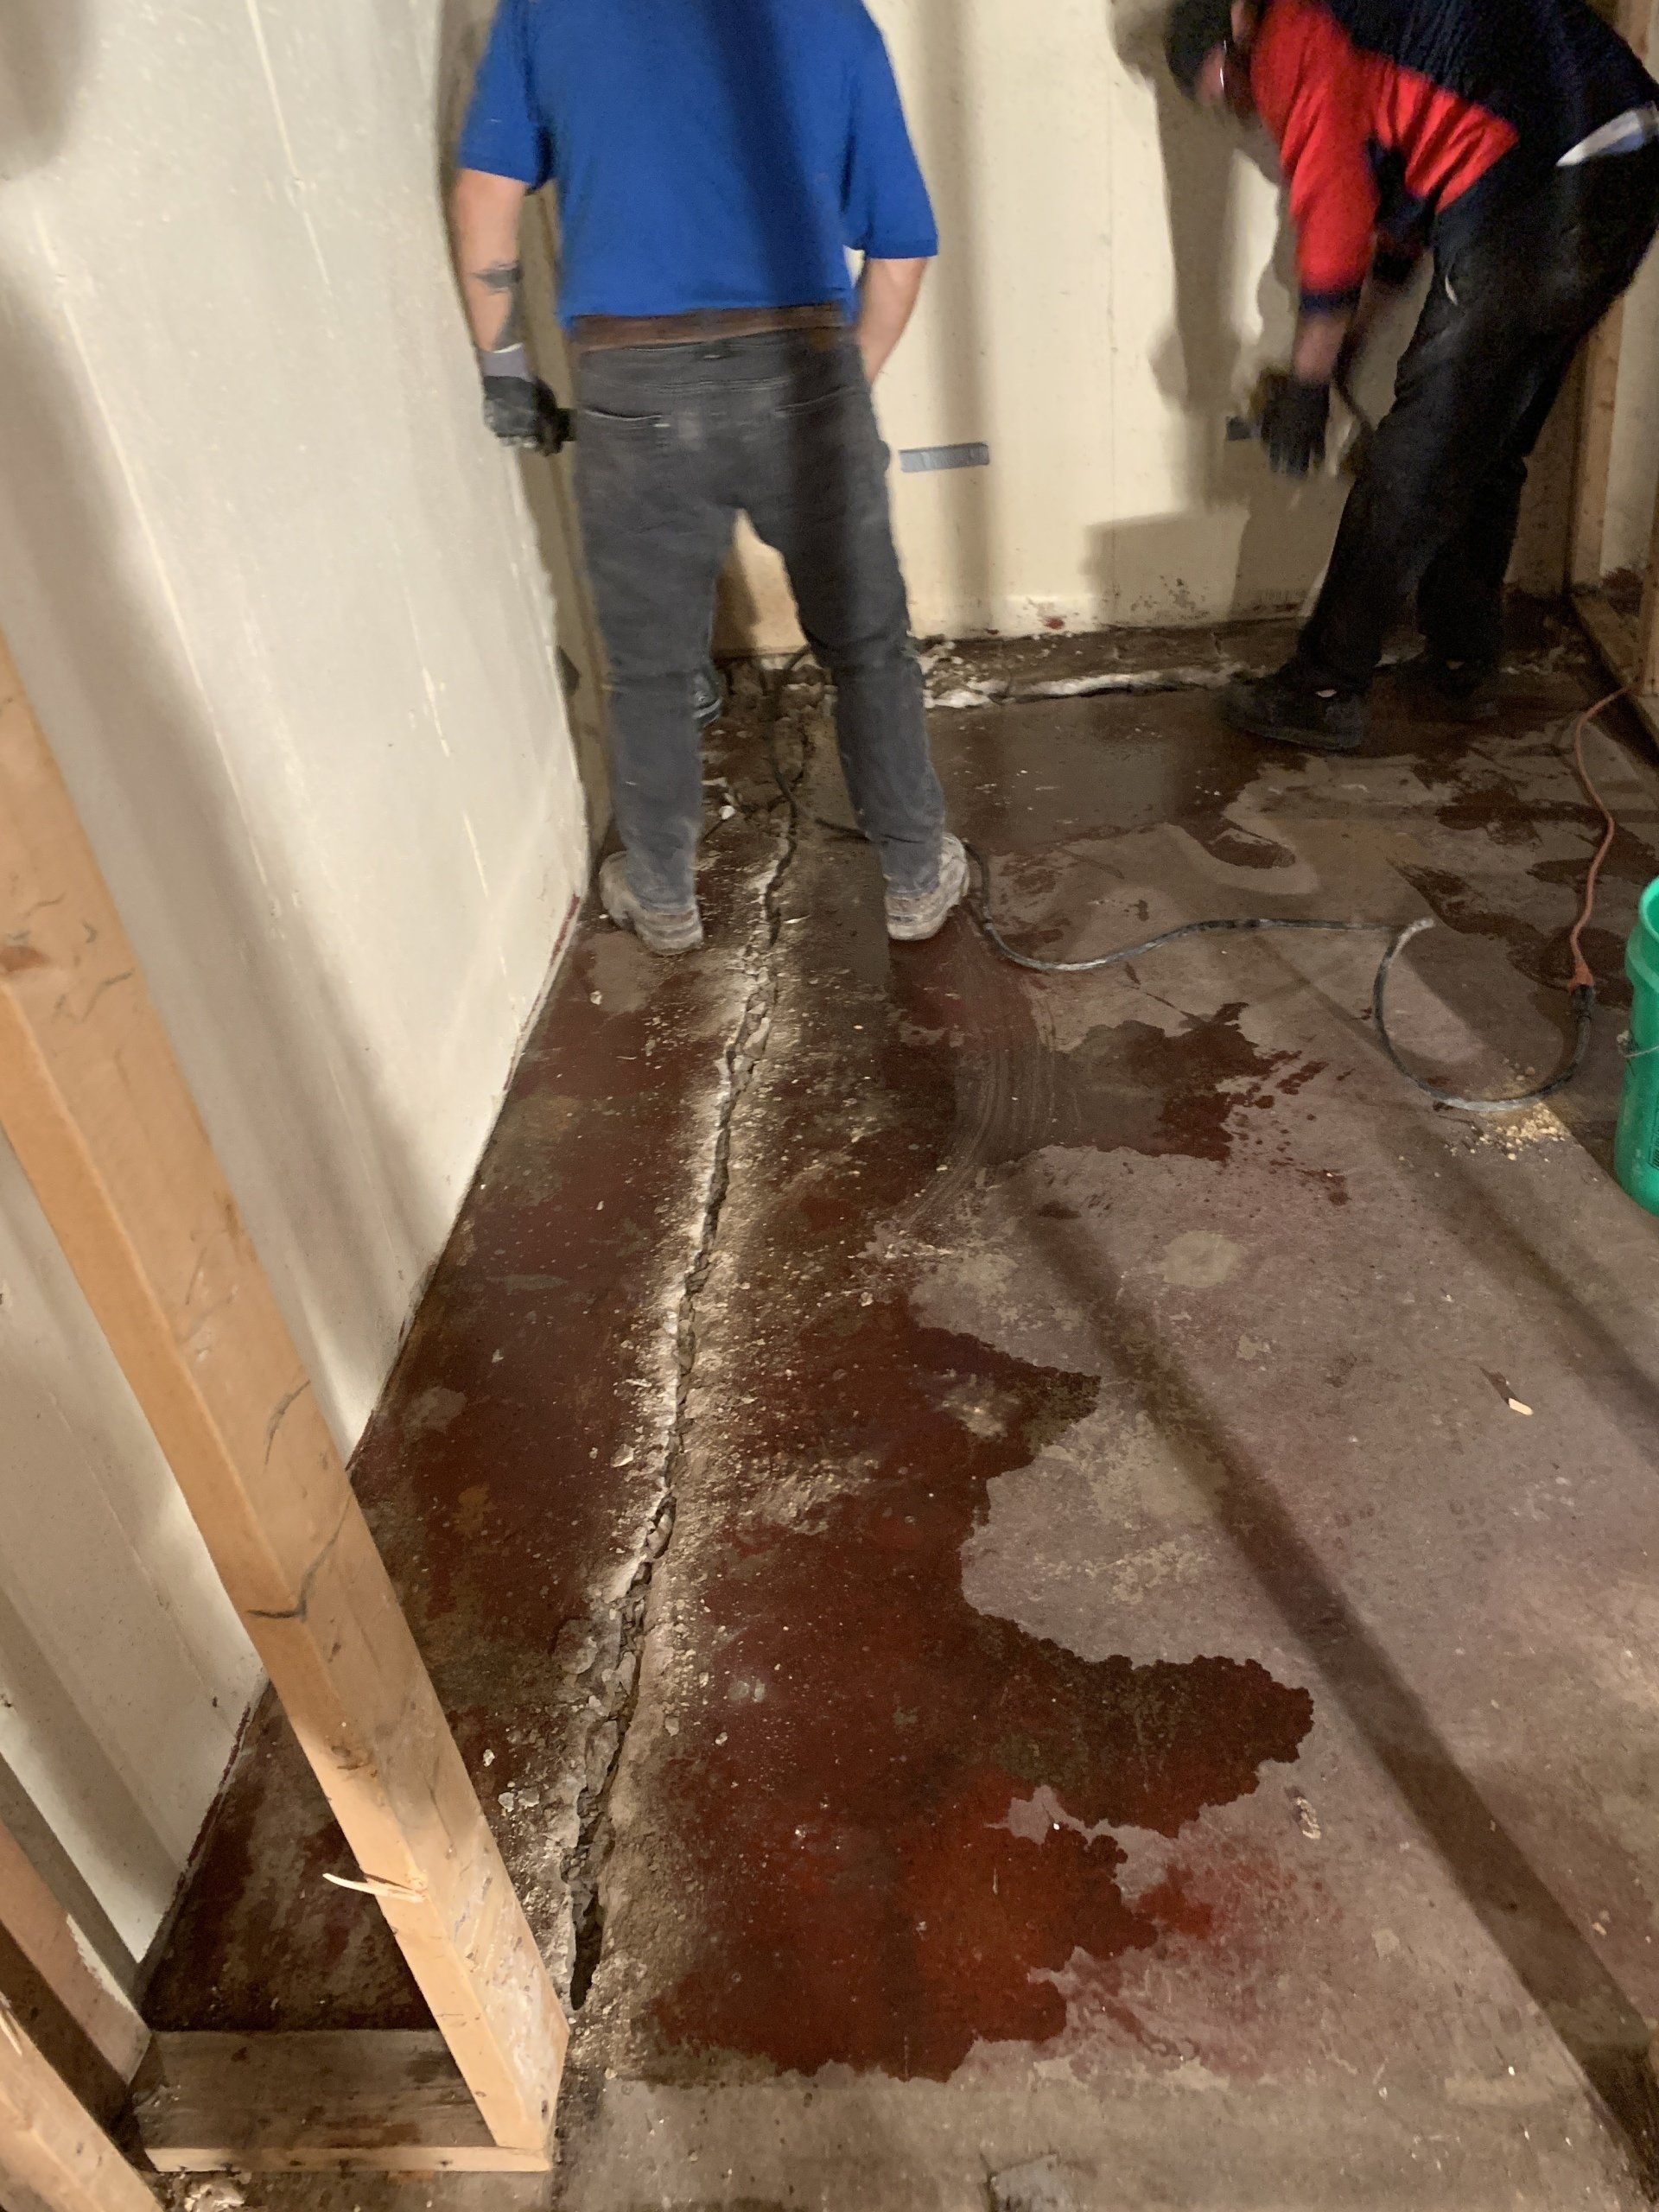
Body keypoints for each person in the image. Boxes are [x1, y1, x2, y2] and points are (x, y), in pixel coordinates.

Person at [450, 0, 966, 953]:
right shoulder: (831, 20)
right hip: (801, 365)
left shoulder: (546, 14)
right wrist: (843, 387)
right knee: (865, 645)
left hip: (629, 379)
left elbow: (487, 192)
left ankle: (661, 895)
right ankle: (913, 871)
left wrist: (506, 374)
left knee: (649, 671)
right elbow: (901, 249)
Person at [1166, 0, 1659, 752]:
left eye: (1226, 87)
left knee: (1416, 455)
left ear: (1231, 32)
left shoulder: (1290, 26)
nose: (1244, 109)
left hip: (1536, 174)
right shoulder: (1377, 33)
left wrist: (1306, 384)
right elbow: (1394, 221)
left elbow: (1333, 213)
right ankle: (1463, 652)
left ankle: (1324, 687)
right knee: (1489, 435)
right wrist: (1344, 356)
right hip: (1627, 158)